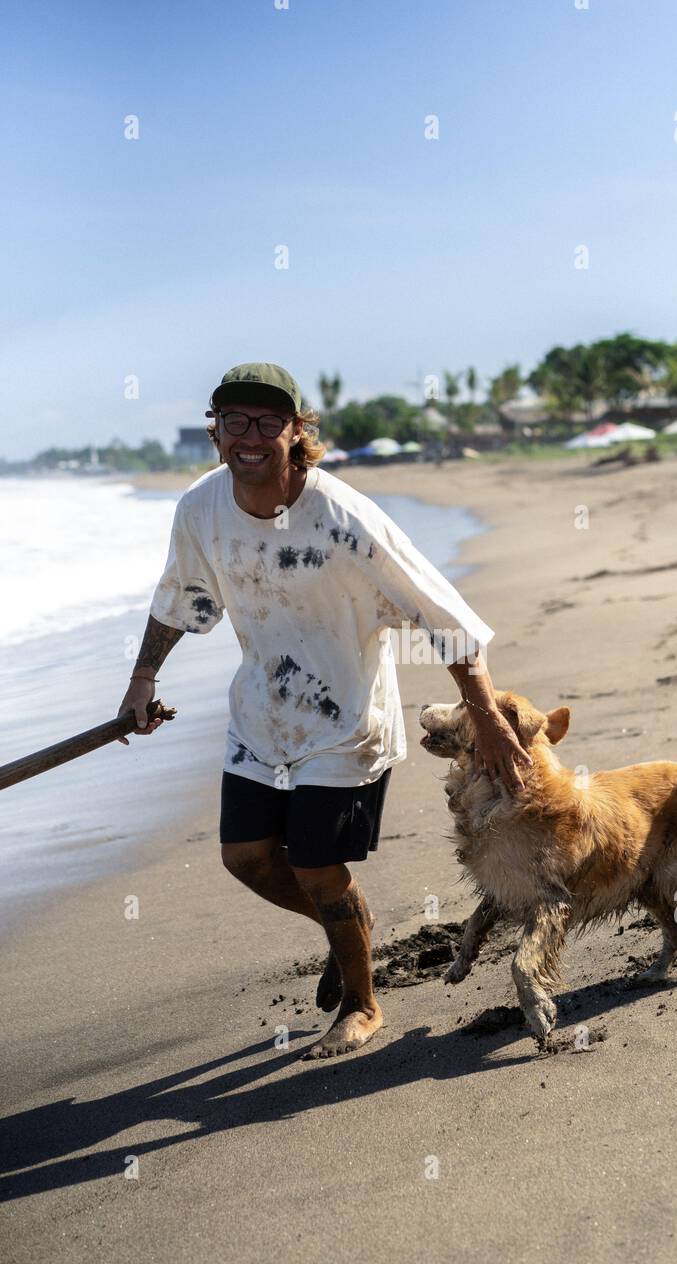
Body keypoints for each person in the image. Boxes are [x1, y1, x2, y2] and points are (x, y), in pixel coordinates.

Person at [117, 363, 530, 1057]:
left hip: (347, 725)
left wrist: (485, 717)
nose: (250, 436)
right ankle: (348, 924)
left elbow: (442, 614)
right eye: (235, 421)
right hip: (261, 717)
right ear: (216, 431)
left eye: (268, 421)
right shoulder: (200, 508)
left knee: (315, 866)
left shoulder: (344, 517)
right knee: (245, 859)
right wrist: (142, 681)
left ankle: (363, 1003)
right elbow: (183, 600)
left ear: (297, 431)